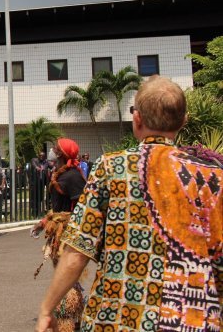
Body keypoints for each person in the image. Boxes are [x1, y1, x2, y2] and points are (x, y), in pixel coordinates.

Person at [36, 76, 223, 332]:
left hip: (119, 319)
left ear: (137, 119)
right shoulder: (214, 177)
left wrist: (47, 309)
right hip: (195, 320)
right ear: (184, 121)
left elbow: (77, 252)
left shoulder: (111, 168)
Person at [31, 138, 87, 332]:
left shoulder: (73, 176)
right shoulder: (61, 173)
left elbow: (82, 206)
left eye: (55, 148)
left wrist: (73, 230)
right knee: (65, 274)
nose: (52, 150)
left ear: (62, 153)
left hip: (67, 233)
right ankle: (76, 316)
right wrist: (43, 224)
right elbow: (57, 208)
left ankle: (67, 320)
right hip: (58, 230)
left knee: (65, 275)